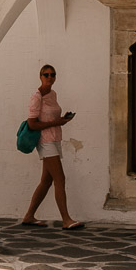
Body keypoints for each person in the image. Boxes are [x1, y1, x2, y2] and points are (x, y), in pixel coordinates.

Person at [20, 65, 83, 229]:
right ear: (40, 76)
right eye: (46, 74)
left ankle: (29, 216)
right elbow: (32, 124)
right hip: (45, 141)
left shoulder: (52, 94)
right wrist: (57, 122)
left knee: (46, 181)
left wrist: (62, 119)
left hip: (54, 139)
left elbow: (50, 117)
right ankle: (66, 219)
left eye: (52, 74)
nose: (49, 77)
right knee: (60, 179)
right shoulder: (37, 97)